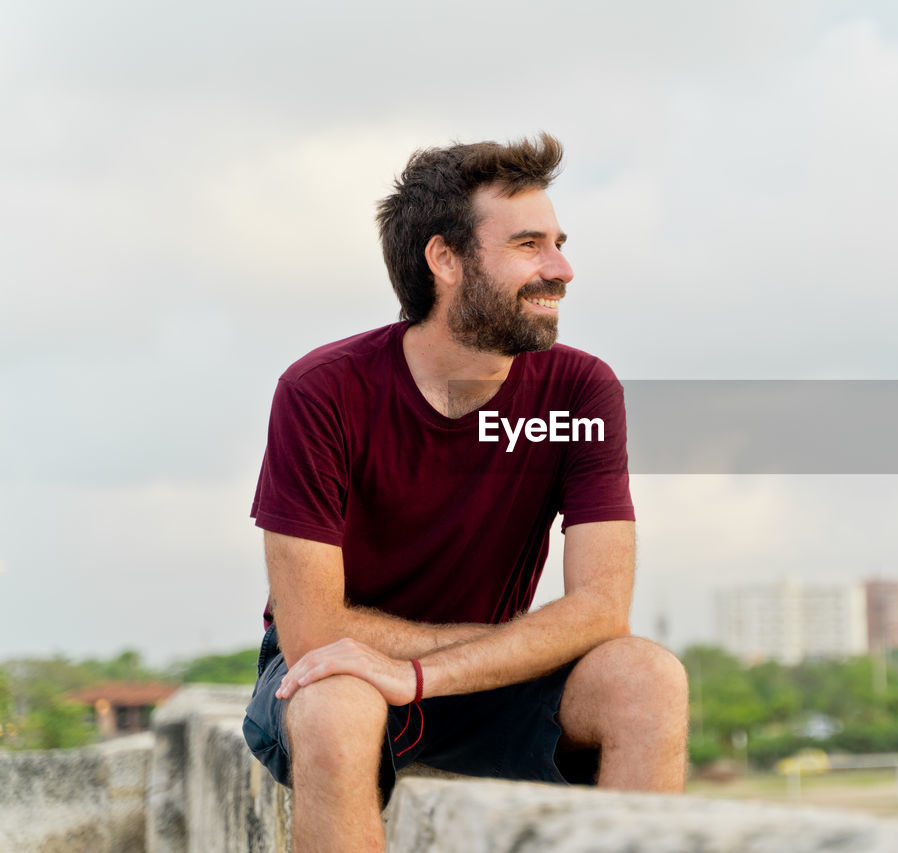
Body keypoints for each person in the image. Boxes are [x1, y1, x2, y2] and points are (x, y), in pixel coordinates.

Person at [241, 133, 688, 851]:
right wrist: (512, 643)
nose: (562, 268)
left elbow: (603, 611)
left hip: (488, 682)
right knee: (336, 705)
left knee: (647, 676)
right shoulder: (321, 390)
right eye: (529, 245)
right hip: (342, 675)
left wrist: (421, 672)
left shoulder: (581, 388)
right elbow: (314, 632)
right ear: (445, 260)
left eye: (559, 243)